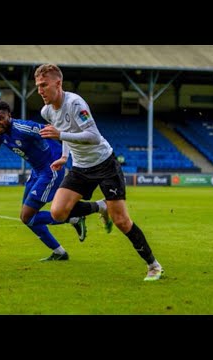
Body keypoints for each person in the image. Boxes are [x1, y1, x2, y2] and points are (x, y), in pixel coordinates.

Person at [34, 63, 163, 281]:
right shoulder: (46, 111)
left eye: (44, 85)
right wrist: (65, 156)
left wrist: (61, 136)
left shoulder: (75, 103)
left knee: (121, 221)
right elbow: (64, 132)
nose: (40, 91)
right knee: (58, 213)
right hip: (80, 167)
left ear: (58, 83)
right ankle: (100, 206)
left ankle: (154, 265)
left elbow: (92, 135)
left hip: (104, 164)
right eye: (38, 86)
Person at [0, 100, 109, 261]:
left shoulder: (25, 128)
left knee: (27, 216)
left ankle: (81, 214)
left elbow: (59, 133)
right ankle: (59, 252)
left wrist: (65, 156)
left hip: (51, 169)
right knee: (27, 219)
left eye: (0, 118)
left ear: (9, 115)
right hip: (37, 171)